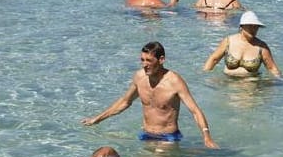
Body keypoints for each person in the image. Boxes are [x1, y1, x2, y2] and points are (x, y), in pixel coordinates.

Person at [82, 42, 216, 148]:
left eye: (149, 60)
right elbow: (124, 102)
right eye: (142, 60)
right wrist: (97, 119)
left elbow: (195, 111)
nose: (144, 65)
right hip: (146, 135)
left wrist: (206, 136)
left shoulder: (175, 81)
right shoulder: (139, 77)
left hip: (168, 138)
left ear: (161, 59)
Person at [203, 11, 282, 79]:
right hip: (227, 83)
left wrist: (279, 81)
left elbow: (272, 68)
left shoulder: (262, 47)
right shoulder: (228, 41)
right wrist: (205, 77)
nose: (253, 29)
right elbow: (213, 59)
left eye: (256, 27)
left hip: (250, 85)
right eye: (250, 26)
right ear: (242, 26)